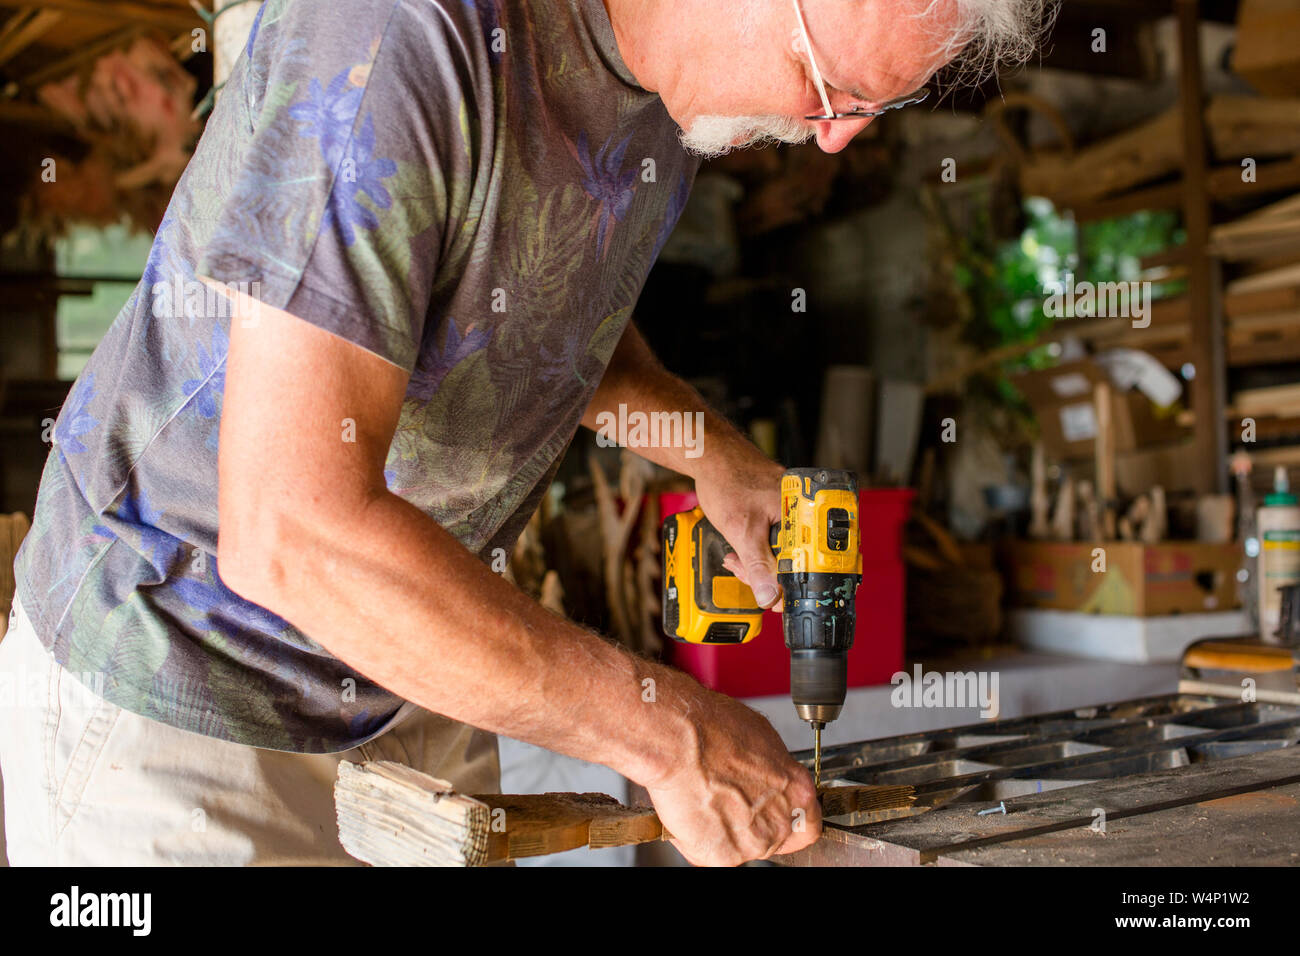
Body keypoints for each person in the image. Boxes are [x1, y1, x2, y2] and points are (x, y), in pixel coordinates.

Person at [0, 0, 1048, 865]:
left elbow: (537, 301)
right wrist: (667, 732)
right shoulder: (397, 34)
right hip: (187, 685)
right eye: (830, 90)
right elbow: (291, 531)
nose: (832, 136)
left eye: (873, 108)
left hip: (411, 667)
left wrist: (711, 454)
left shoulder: (664, 88)